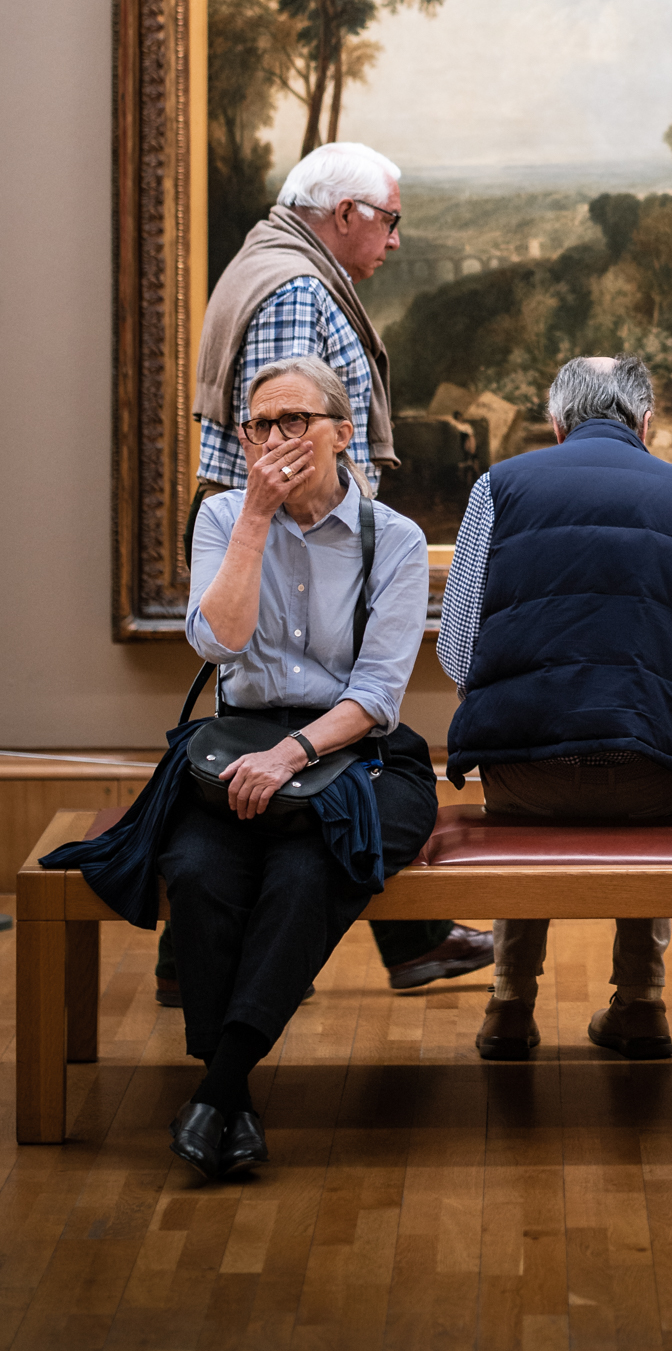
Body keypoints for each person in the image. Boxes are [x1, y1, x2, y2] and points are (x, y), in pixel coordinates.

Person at [163, 139, 491, 1002]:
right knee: (329, 748)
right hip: (290, 556)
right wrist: (310, 532)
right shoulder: (296, 288)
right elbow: (276, 435)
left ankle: (390, 943)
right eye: (388, 221)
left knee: (348, 753)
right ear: (342, 215)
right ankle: (220, 955)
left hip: (310, 554)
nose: (393, 242)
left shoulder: (280, 264)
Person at [164, 354, 439, 1179]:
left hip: (354, 753)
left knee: (305, 872)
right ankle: (232, 1100)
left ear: (344, 434)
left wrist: (294, 754)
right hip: (238, 743)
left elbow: (379, 692)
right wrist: (253, 518)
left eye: (294, 423)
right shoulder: (222, 518)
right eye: (258, 427)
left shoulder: (393, 539)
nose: (274, 441)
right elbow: (217, 644)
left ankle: (220, 1088)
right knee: (197, 871)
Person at [439, 353, 672, 1062]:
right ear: (646, 423)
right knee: (660, 752)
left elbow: (458, 655)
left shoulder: (498, 487)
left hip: (527, 780)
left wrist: (534, 710)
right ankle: (640, 1005)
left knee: (519, 784)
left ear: (555, 424)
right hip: (654, 780)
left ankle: (508, 1008)